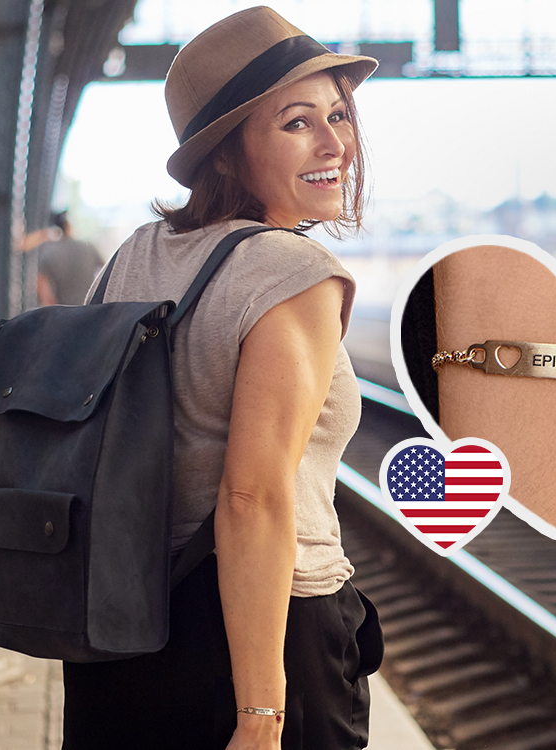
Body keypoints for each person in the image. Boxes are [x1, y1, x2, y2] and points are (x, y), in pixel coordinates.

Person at [60, 8, 381, 749]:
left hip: (123, 625)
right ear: (228, 153)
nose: (336, 143)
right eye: (298, 123)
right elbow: (252, 495)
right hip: (266, 638)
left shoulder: (133, 256)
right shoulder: (293, 272)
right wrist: (261, 713)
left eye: (339, 115)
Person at [16, 210, 104, 305]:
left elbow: (44, 290)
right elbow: (106, 271)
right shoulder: (89, 248)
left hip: (63, 312)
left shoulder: (49, 253)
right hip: (89, 309)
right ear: (68, 226)